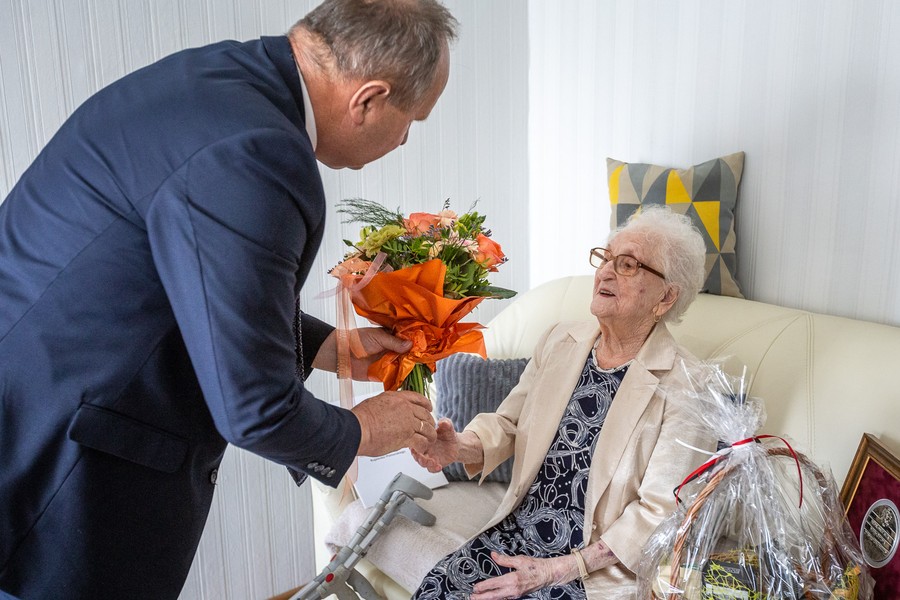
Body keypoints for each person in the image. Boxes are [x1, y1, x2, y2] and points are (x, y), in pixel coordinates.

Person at [0, 1, 457, 598]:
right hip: (65, 465)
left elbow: (197, 279)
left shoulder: (214, 80)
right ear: (368, 98)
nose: (402, 142)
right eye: (412, 121)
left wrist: (332, 347)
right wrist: (360, 431)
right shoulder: (259, 152)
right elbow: (256, 410)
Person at [411, 206, 718, 599]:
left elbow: (662, 514)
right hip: (517, 533)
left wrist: (558, 569)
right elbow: (509, 424)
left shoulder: (688, 385)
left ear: (665, 297)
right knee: (439, 588)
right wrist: (458, 446)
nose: (605, 272)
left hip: (591, 567)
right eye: (605, 258)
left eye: (627, 265)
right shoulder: (560, 340)